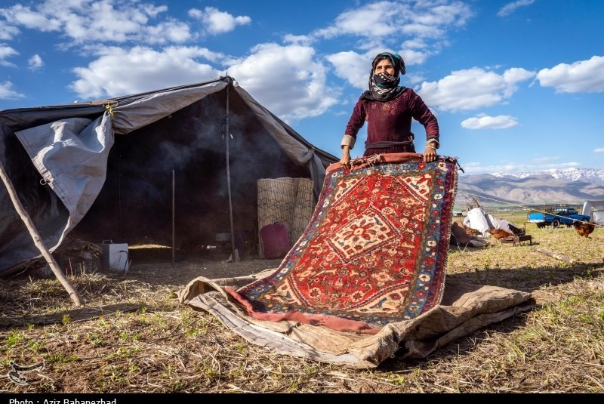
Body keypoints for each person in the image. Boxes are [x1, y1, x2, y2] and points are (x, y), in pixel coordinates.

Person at [339, 52, 439, 168]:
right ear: (374, 71)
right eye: (379, 68)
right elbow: (352, 126)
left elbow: (429, 120)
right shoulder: (366, 100)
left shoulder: (407, 95)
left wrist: (431, 146)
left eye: (388, 67)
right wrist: (345, 152)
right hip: (372, 158)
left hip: (403, 156)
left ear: (396, 70)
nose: (383, 71)